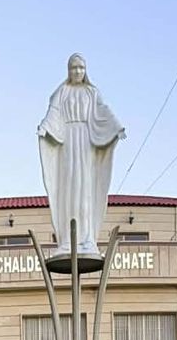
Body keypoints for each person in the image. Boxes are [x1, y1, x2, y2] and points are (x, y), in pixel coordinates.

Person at [36, 53, 126, 258]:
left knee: (85, 189)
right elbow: (53, 112)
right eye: (74, 68)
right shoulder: (62, 92)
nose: (77, 71)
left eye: (81, 68)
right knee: (68, 190)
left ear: (85, 71)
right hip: (67, 142)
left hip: (86, 142)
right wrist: (44, 128)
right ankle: (67, 239)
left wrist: (116, 128)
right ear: (68, 71)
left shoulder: (91, 93)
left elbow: (104, 111)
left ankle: (87, 238)